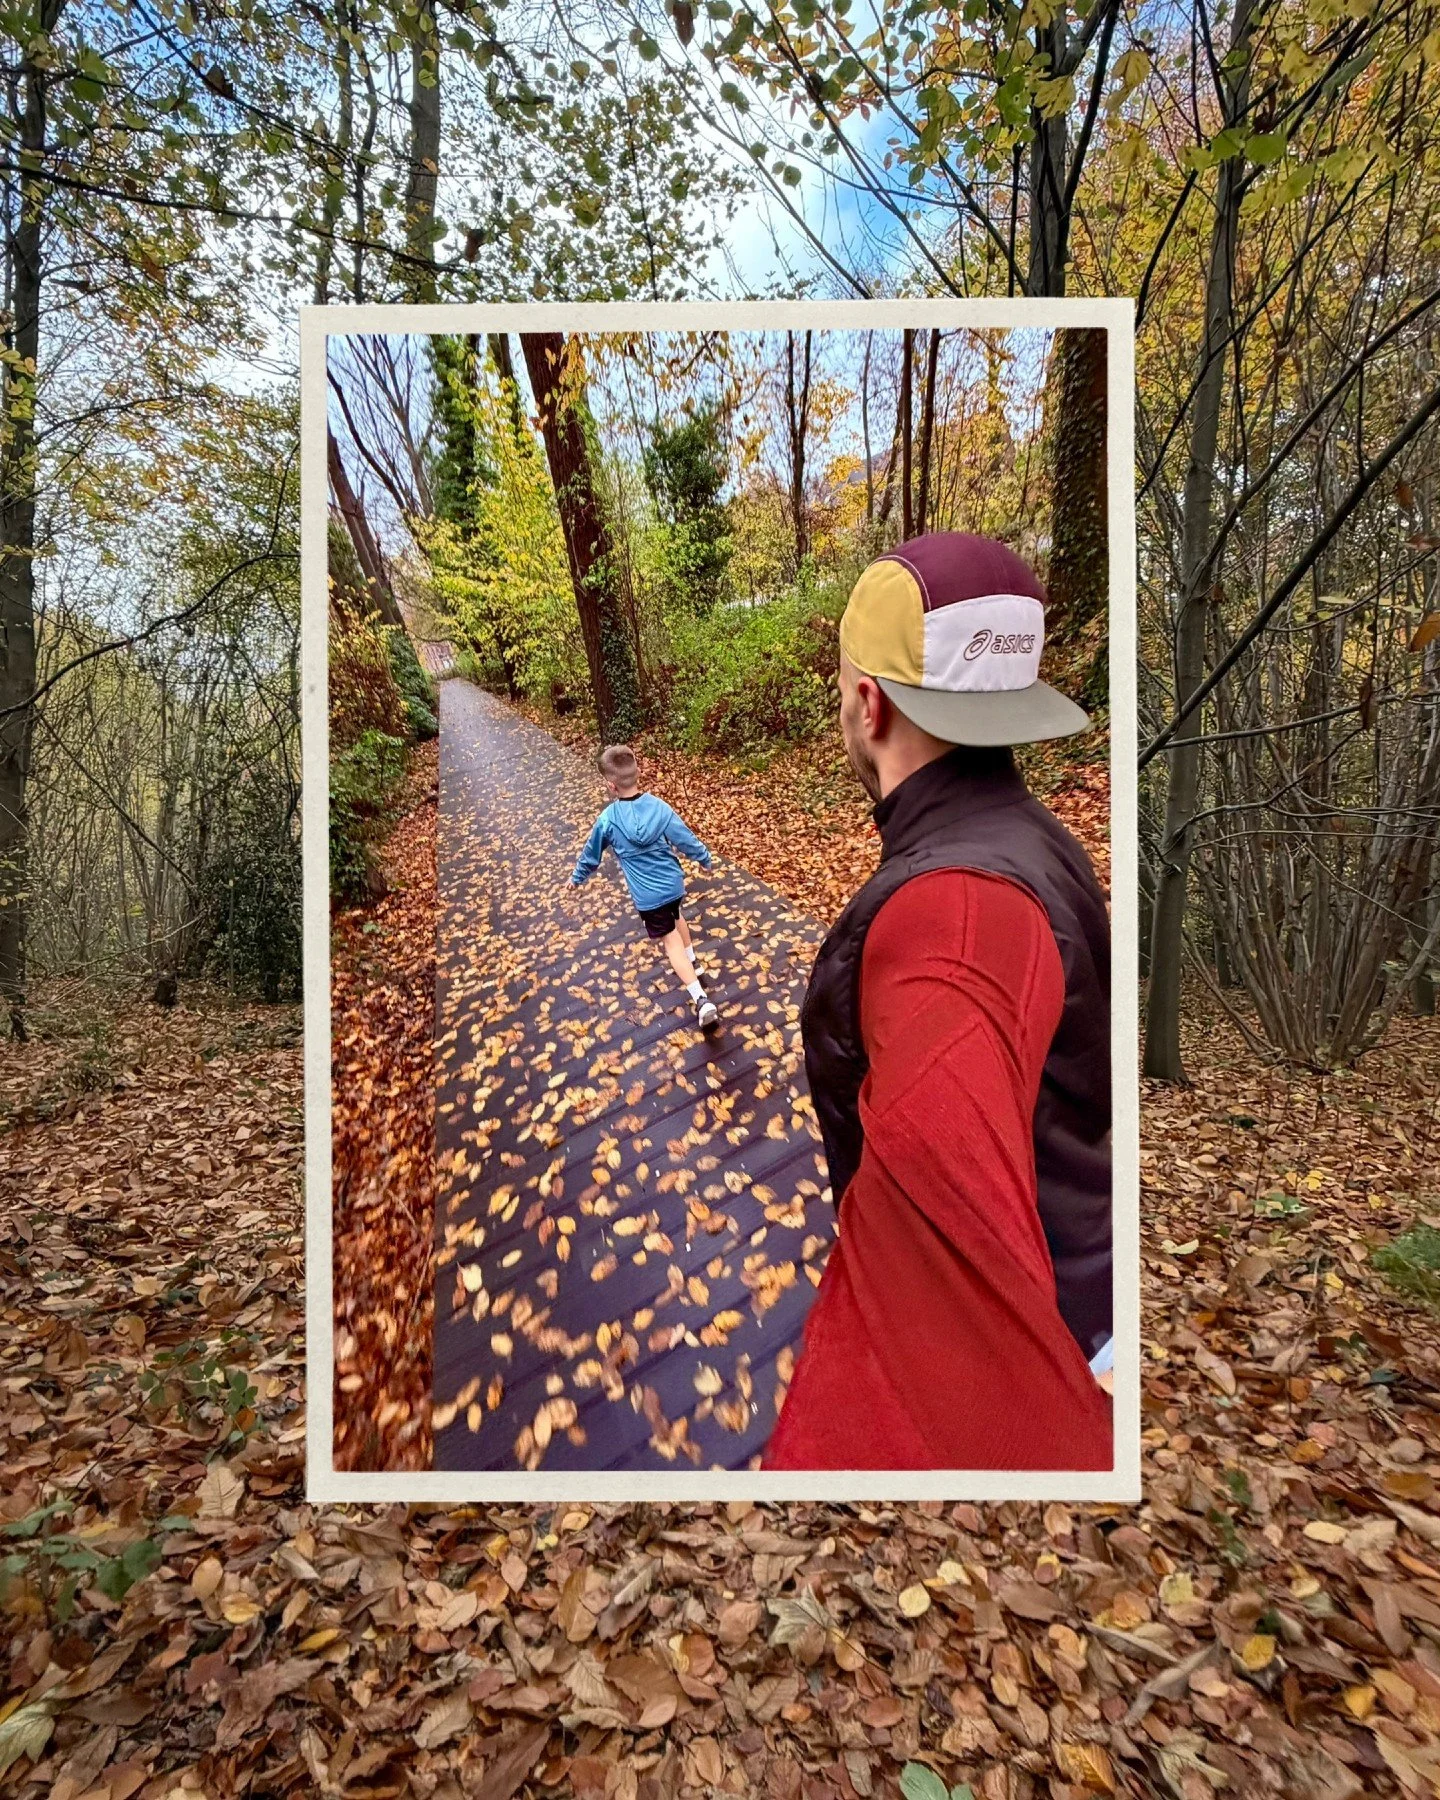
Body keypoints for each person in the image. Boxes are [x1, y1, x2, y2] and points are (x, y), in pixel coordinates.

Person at [764, 531, 1114, 1470]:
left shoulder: (954, 917)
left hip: (1059, 1340)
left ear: (868, 703)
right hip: (1086, 1274)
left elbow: (947, 1297)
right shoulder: (1039, 839)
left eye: (845, 687)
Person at [570, 744, 720, 1030]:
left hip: (649, 896)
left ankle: (701, 1000)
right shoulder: (659, 807)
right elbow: (684, 837)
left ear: (610, 786)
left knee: (670, 941)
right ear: (638, 773)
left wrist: (577, 878)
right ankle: (695, 964)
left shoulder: (608, 820)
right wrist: (704, 858)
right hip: (673, 885)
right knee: (676, 917)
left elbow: (592, 854)